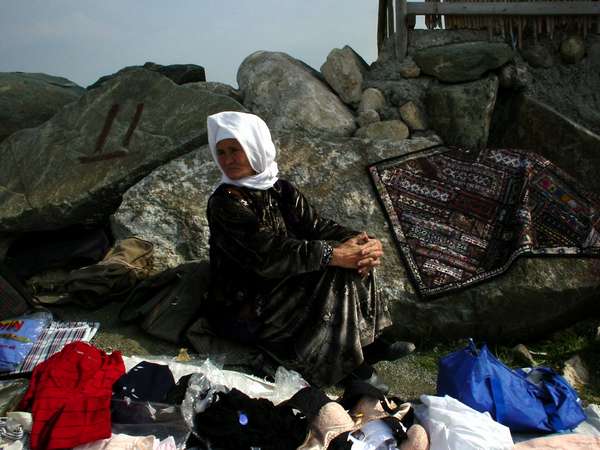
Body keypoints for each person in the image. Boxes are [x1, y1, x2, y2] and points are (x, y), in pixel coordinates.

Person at [205, 111, 413, 390]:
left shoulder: (280, 189)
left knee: (356, 257)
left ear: (255, 147)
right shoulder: (224, 203)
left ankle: (369, 343)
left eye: (235, 150)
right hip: (244, 304)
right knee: (333, 269)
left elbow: (317, 227)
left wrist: (361, 242)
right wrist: (334, 255)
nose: (227, 160)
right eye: (221, 152)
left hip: (277, 287)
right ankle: (351, 368)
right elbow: (268, 253)